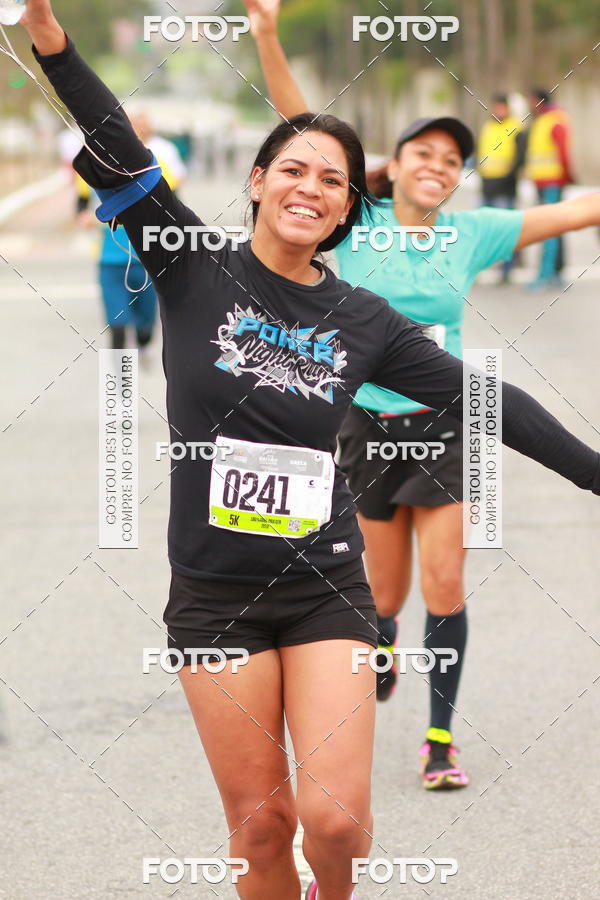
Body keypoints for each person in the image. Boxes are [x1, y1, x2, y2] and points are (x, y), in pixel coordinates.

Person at [21, 3, 600, 899]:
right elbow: (115, 138)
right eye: (292, 168)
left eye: (333, 179)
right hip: (213, 597)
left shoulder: (367, 321)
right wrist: (49, 38)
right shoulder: (190, 264)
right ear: (257, 181)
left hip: (325, 587)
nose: (311, 187)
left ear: (346, 208)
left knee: (335, 824)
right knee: (260, 828)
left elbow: (492, 403)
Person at [242, 0, 600, 797]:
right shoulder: (358, 214)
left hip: (444, 425)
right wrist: (265, 34)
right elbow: (300, 124)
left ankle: (439, 739)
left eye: (452, 159)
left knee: (444, 586)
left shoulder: (473, 233)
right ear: (395, 165)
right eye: (424, 153)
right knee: (382, 596)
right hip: (361, 427)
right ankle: (379, 644)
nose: (439, 166)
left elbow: (579, 207)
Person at [76, 114, 187, 355]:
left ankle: (143, 342)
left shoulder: (156, 166)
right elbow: (81, 204)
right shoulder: (92, 165)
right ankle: (118, 379)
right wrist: (85, 217)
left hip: (147, 260)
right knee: (117, 327)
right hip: (108, 259)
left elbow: (175, 209)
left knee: (145, 326)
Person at [524, 88, 575, 290]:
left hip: (552, 182)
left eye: (531, 100)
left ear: (539, 101)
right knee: (554, 226)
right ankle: (555, 272)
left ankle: (545, 274)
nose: (529, 104)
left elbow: (563, 152)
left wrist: (568, 175)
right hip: (542, 182)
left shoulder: (554, 120)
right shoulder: (541, 120)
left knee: (549, 228)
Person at [477, 93, 526, 283]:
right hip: (487, 186)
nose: (498, 111)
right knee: (483, 230)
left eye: (501, 107)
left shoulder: (516, 127)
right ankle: (478, 270)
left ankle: (506, 269)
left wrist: (508, 177)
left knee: (505, 230)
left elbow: (519, 158)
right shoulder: (487, 127)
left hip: (505, 188)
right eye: (495, 107)